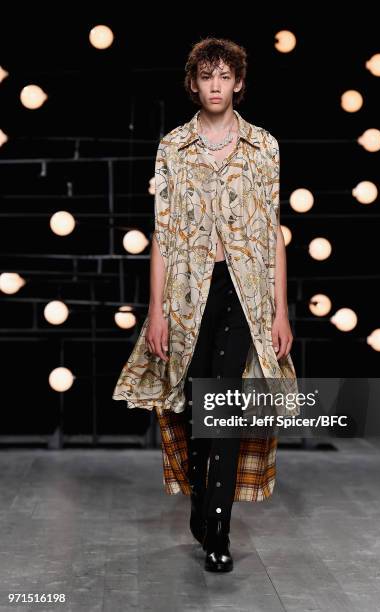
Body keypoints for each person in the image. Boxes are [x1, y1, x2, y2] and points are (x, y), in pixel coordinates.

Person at [112, 37, 299, 573]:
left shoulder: (265, 146)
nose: (215, 84)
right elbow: (162, 233)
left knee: (225, 398)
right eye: (206, 75)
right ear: (193, 84)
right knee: (193, 402)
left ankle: (218, 527)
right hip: (188, 292)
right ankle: (201, 504)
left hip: (246, 290)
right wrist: (156, 310)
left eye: (225, 75)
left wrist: (281, 310)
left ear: (239, 82)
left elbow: (272, 232)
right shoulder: (172, 148)